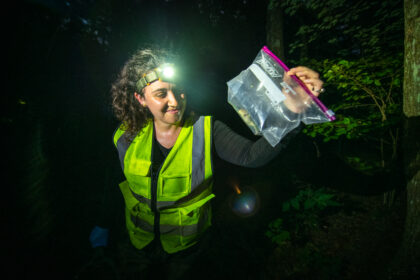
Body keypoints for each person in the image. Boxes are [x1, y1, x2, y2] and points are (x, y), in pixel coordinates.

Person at [89, 47, 325, 279]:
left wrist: (292, 113)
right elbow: (117, 184)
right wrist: (103, 224)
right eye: (161, 94)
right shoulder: (125, 136)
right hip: (136, 246)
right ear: (140, 99)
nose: (174, 101)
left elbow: (252, 156)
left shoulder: (206, 129)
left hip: (188, 251)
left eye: (179, 91)